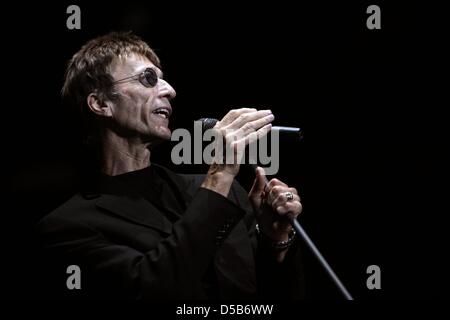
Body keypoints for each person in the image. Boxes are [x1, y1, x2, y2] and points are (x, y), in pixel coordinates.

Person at [36, 31, 304, 300]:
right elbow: (153, 289)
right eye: (148, 79)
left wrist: (276, 240)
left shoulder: (224, 193)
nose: (170, 91)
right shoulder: (69, 225)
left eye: (163, 80)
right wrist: (221, 172)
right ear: (101, 103)